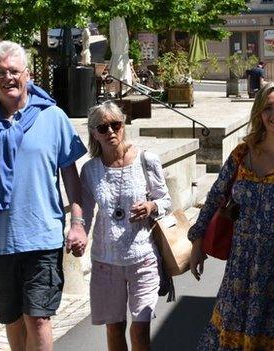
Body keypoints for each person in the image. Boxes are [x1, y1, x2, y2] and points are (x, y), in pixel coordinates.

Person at [0, 40, 88, 351]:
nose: (7, 78)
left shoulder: (52, 117)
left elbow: (71, 173)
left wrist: (78, 223)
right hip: (0, 239)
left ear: (27, 75)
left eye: (14, 71)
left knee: (38, 318)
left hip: (42, 235)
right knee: (11, 318)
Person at [188, 80, 274, 350]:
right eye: (268, 108)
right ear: (259, 114)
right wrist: (197, 241)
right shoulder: (242, 154)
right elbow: (216, 196)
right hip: (242, 273)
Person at [80, 101, 171, 351]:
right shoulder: (90, 170)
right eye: (102, 127)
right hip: (106, 261)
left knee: (140, 328)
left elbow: (166, 200)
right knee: (114, 329)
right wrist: (78, 233)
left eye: (115, 125)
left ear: (123, 125)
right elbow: (85, 211)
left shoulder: (146, 159)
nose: (110, 131)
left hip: (143, 257)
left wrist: (151, 207)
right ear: (94, 133)